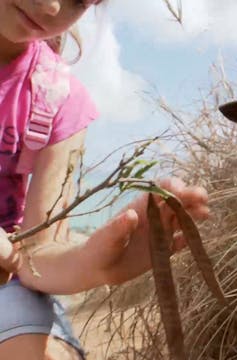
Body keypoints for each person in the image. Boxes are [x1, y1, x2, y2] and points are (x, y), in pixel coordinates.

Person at [0, 1, 210, 359]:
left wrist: (94, 264)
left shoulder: (56, 99)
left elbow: (33, 258)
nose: (52, 7)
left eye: (80, 0)